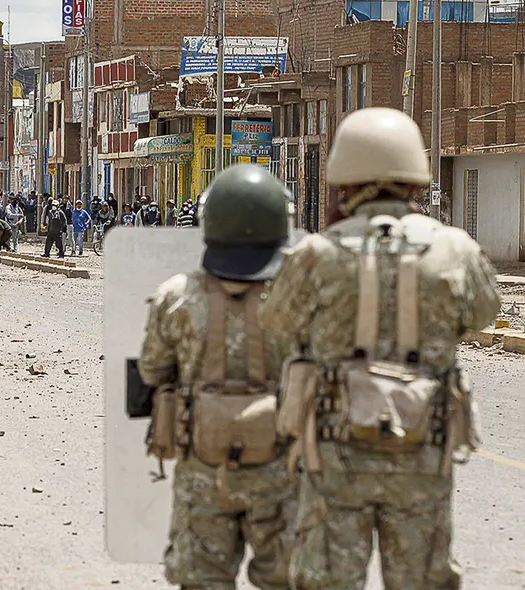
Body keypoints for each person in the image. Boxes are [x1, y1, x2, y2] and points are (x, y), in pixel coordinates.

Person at [260, 108, 502, 590]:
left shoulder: (316, 254)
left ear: (343, 181)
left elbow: (277, 326)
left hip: (335, 450)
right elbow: (482, 315)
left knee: (327, 579)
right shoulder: (454, 249)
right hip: (421, 450)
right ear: (416, 179)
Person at [138, 164, 296, 590]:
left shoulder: (176, 296)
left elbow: (151, 371)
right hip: (281, 467)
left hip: (203, 465)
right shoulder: (298, 297)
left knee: (202, 579)